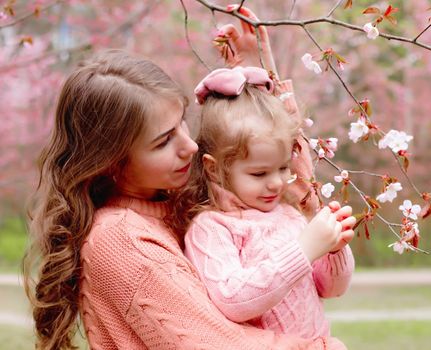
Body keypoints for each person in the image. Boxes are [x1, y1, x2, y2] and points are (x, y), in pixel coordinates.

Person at [22, 11, 354, 349]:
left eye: (182, 122)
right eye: (164, 140)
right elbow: (215, 343)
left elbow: (266, 161)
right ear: (112, 163)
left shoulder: (176, 203)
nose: (190, 145)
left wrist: (255, 79)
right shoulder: (121, 239)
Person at [171, 66, 355, 341]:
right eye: (259, 173)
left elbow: (331, 289)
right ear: (213, 168)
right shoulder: (213, 228)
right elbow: (232, 300)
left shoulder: (289, 216)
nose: (276, 183)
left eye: (282, 168)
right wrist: (304, 249)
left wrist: (334, 251)